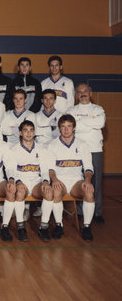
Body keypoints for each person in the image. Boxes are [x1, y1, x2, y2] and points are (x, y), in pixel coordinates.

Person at [48, 114, 95, 241]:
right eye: (63, 127)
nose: (66, 130)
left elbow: (88, 168)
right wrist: (55, 179)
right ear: (59, 128)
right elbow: (51, 169)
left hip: (76, 181)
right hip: (61, 180)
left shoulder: (82, 145)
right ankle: (59, 225)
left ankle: (86, 227)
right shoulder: (52, 145)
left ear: (74, 128)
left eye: (69, 126)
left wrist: (87, 180)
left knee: (89, 190)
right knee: (56, 190)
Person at [66, 84, 106, 223]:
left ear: (90, 93)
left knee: (96, 182)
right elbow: (70, 127)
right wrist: (90, 123)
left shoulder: (98, 109)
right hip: (77, 152)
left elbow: (100, 123)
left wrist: (80, 122)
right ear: (76, 95)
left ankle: (98, 213)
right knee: (79, 181)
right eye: (79, 92)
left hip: (95, 149)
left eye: (85, 91)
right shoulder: (71, 110)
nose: (82, 93)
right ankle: (81, 211)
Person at [11, 120, 53, 242]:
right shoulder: (14, 150)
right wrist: (18, 182)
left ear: (34, 132)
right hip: (21, 181)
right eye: (25, 130)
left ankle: (43, 227)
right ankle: (21, 227)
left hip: (35, 181)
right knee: (19, 192)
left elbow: (45, 170)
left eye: (31, 130)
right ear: (20, 133)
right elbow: (12, 171)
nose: (29, 133)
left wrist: (45, 181)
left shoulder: (41, 149)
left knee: (48, 192)